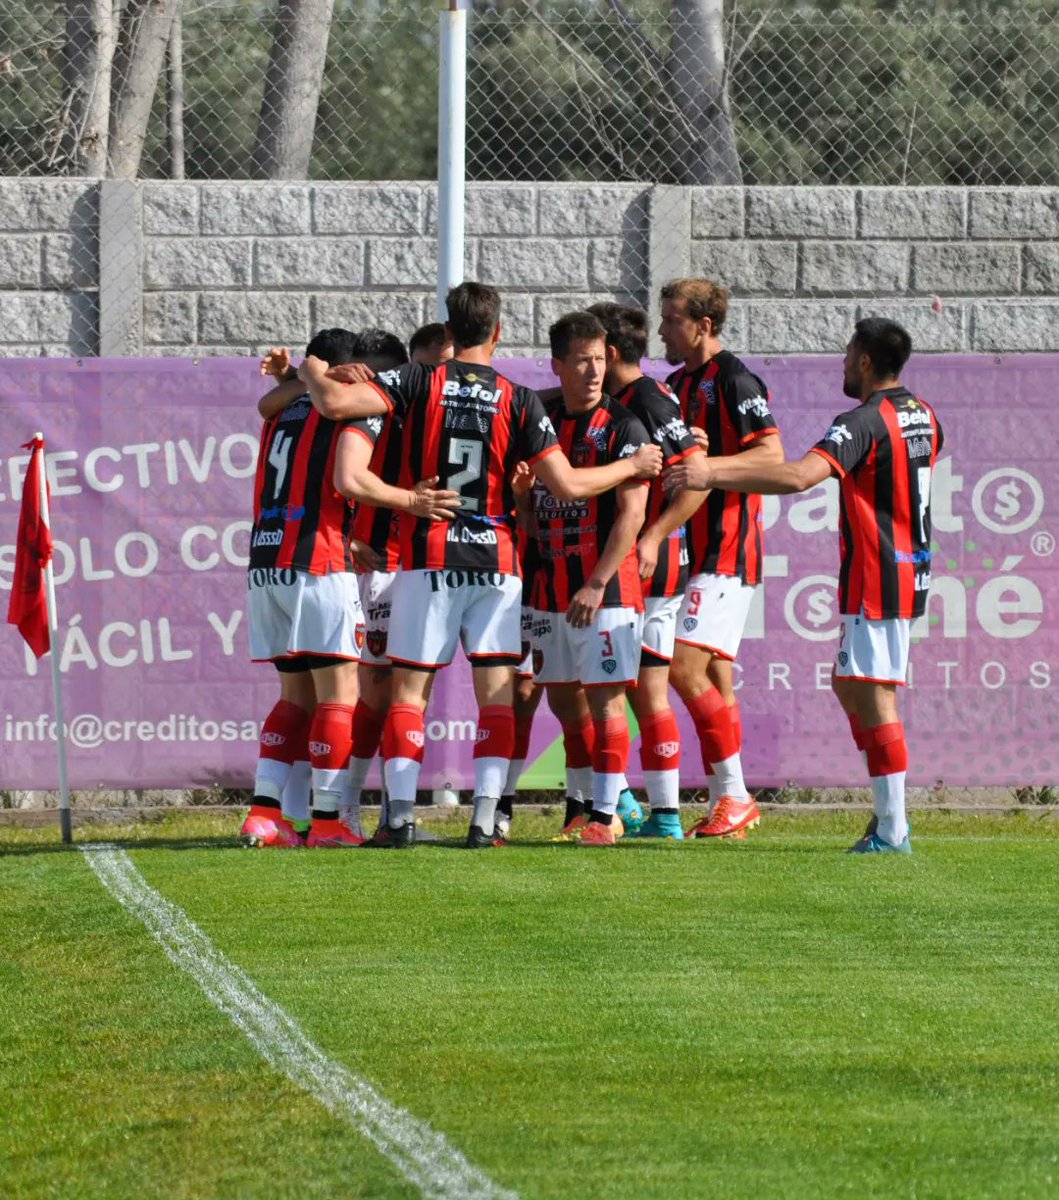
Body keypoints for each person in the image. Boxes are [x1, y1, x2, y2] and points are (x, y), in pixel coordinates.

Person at [298, 283, 662, 849]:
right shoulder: (520, 400)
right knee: (496, 695)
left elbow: (333, 405)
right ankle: (486, 821)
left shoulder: (420, 380)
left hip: (431, 556)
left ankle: (398, 819)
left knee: (409, 693)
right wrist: (631, 465)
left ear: (450, 331)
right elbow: (565, 484)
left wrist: (312, 367)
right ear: (498, 333)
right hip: (498, 562)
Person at [665, 317, 942, 853]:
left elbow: (796, 477)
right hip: (908, 567)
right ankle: (888, 808)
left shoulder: (862, 420)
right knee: (849, 685)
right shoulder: (923, 414)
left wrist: (709, 472)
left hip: (878, 573)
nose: (842, 362)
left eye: (846, 353)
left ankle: (892, 827)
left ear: (864, 361)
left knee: (875, 694)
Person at [247, 328, 459, 849]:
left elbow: (264, 402)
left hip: (266, 559)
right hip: (319, 559)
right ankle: (327, 823)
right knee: (340, 698)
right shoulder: (351, 407)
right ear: (364, 373)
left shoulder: (287, 407)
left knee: (294, 696)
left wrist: (300, 373)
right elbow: (349, 480)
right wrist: (412, 502)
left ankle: (263, 815)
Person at [659, 278, 783, 840]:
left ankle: (734, 795)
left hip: (726, 550)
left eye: (672, 319)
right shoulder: (675, 383)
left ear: (703, 326)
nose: (663, 329)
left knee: (682, 668)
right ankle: (727, 803)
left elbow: (772, 456)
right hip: (692, 552)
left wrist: (711, 467)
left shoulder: (734, 378)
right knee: (713, 676)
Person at [526, 310, 653, 847]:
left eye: (600, 359)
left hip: (605, 592)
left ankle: (607, 815)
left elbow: (632, 515)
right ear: (558, 365)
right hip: (548, 589)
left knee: (604, 702)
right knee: (563, 703)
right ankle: (579, 810)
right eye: (582, 360)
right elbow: (534, 505)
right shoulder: (542, 419)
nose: (594, 370)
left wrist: (597, 582)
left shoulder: (625, 426)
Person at [588, 302, 708, 839]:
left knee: (614, 692)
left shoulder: (645, 402)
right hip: (648, 567)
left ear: (609, 352)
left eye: (593, 351)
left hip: (643, 570)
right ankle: (656, 814)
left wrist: (654, 536)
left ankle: (623, 812)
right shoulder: (648, 395)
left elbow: (696, 479)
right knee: (638, 693)